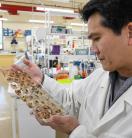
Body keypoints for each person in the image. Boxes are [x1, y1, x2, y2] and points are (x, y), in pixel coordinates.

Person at [11, 0, 132, 137]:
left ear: (130, 33)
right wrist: (42, 79)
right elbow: (71, 98)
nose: (93, 49)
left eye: (97, 38)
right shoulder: (100, 76)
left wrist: (75, 131)